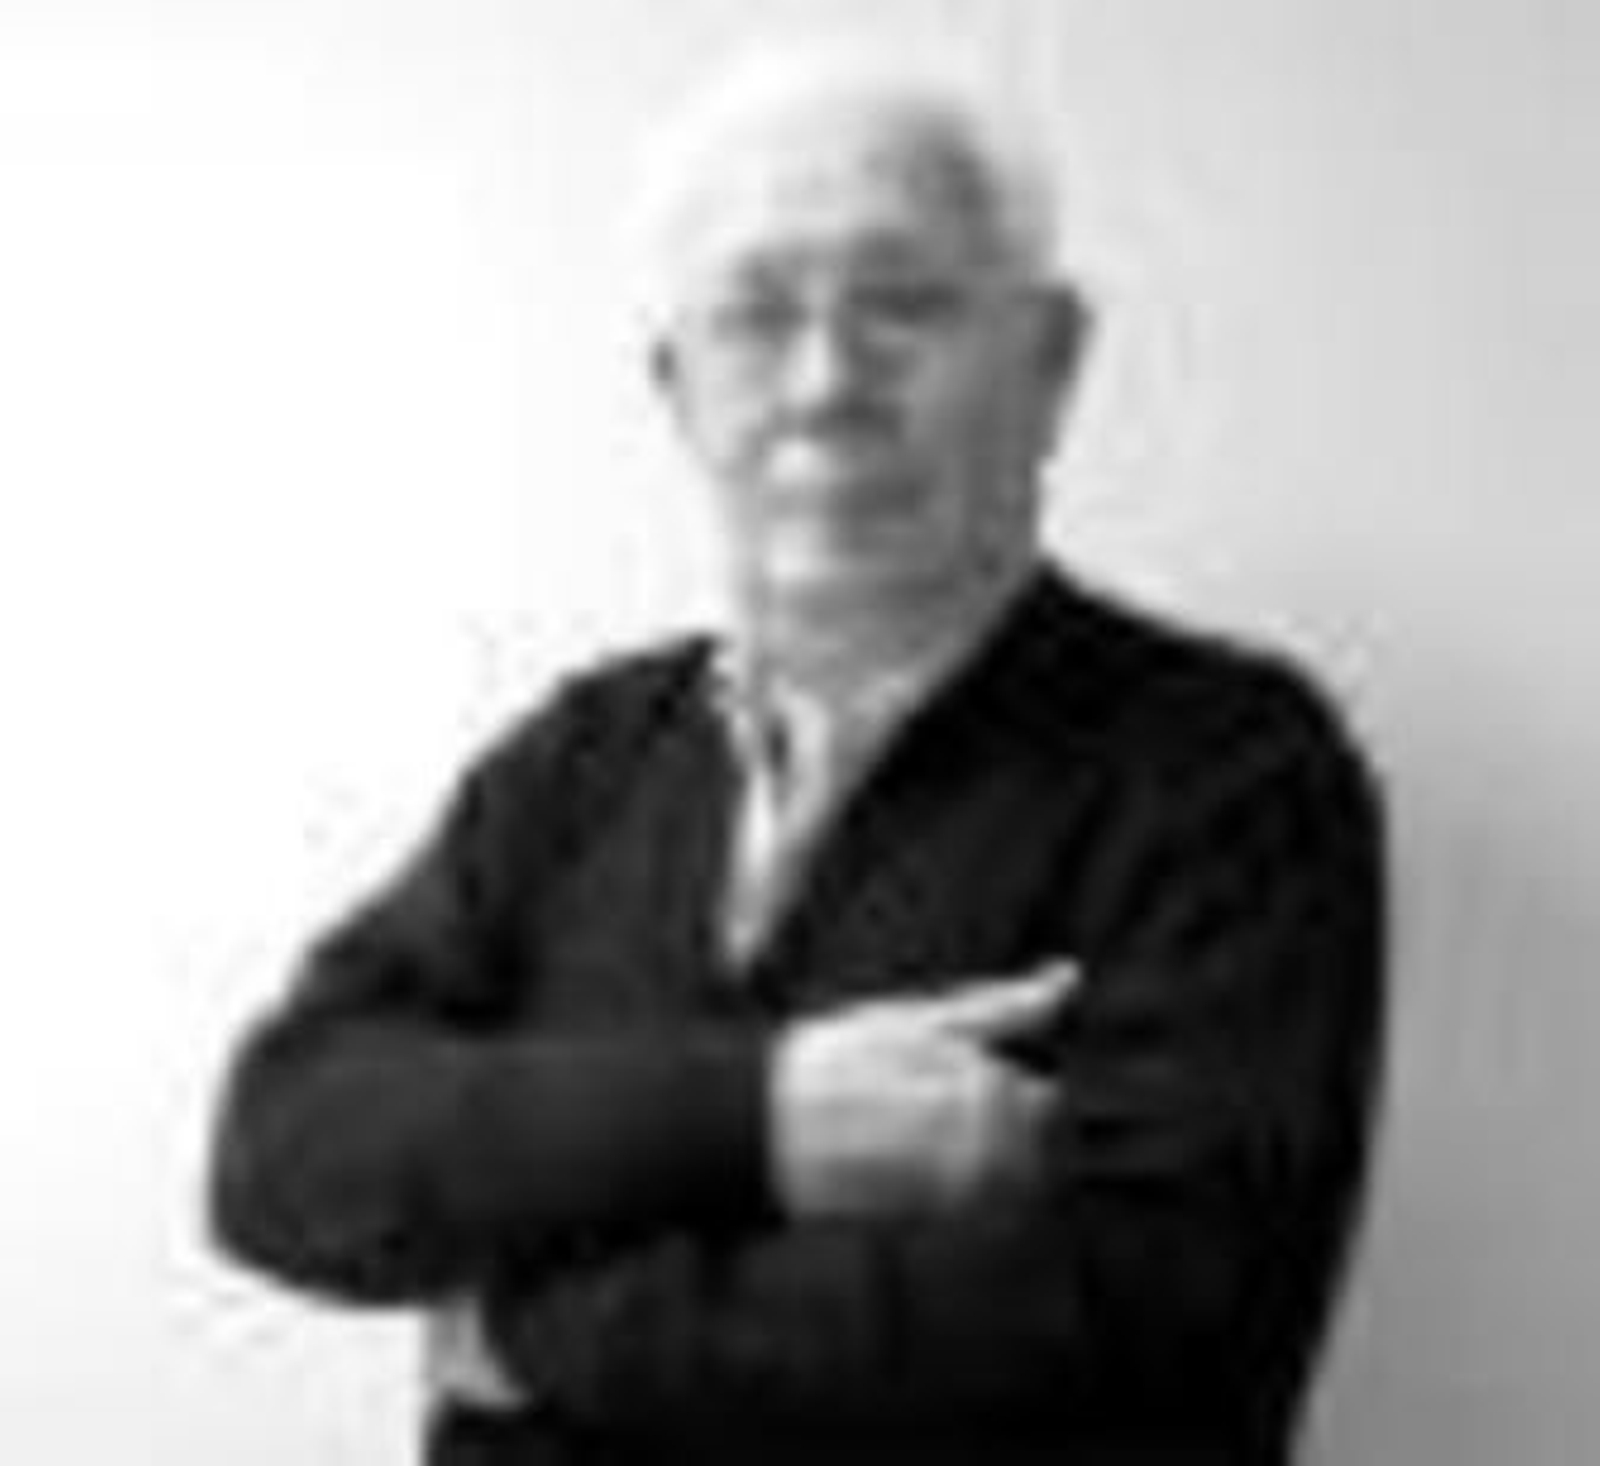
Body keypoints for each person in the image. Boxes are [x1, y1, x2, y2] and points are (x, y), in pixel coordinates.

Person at [207, 44, 1385, 1466]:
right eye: (757, 315)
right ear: (678, 390)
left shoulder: (1230, 775)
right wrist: (761, 1113)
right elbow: (287, 1148)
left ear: (1052, 357)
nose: (826, 381)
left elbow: (1154, 1324)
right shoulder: (583, 757)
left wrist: (526, 1333)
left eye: (906, 302)